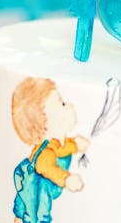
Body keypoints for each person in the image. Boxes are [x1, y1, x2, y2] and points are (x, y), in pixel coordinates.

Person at [10, 77, 90, 223]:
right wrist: (66, 178)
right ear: (45, 122)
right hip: (37, 188)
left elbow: (60, 150)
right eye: (62, 104)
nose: (69, 106)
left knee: (23, 212)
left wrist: (75, 146)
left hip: (32, 182)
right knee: (36, 213)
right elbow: (43, 165)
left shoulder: (54, 144)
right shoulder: (46, 152)